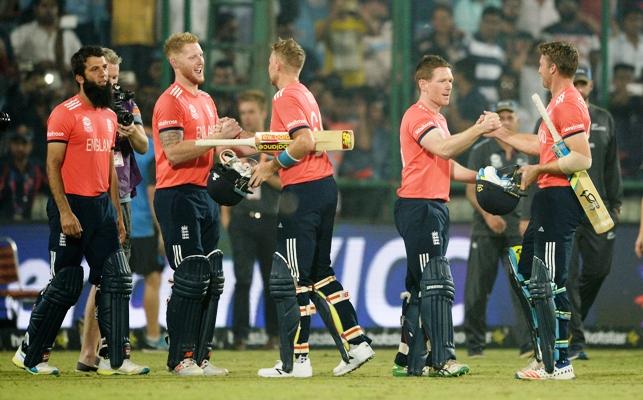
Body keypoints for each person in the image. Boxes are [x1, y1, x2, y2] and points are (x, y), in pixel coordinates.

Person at [11, 45, 149, 375]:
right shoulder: (64, 113)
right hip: (71, 206)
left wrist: (115, 212)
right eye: (96, 70)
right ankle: (32, 354)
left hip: (102, 208)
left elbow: (110, 166)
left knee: (117, 278)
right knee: (68, 284)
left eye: (105, 69)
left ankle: (115, 359)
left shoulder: (110, 115)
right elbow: (52, 166)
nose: (104, 75)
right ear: (79, 77)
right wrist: (64, 212)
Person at [251, 38, 374, 378]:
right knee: (320, 273)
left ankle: (297, 361)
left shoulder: (284, 96)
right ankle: (357, 342)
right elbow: (295, 138)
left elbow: (303, 141)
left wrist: (270, 167)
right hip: (324, 187)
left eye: (269, 61)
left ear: (276, 64)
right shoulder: (305, 94)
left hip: (301, 192)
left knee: (295, 279)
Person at [391, 54, 501, 378]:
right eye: (442, 80)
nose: (449, 85)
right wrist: (479, 129)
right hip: (420, 207)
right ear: (423, 84)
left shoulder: (438, 120)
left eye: (451, 80)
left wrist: (483, 176)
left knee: (420, 285)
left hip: (432, 206)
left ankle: (406, 359)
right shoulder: (418, 116)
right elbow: (444, 150)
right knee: (436, 283)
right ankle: (441, 360)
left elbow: (447, 165)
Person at [489, 41, 591, 380]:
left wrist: (538, 170)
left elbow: (581, 157)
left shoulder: (569, 103)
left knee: (550, 281)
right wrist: (502, 133)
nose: (537, 69)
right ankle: (544, 354)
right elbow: (541, 146)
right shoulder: (556, 104)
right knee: (526, 272)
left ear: (553, 69)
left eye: (541, 64)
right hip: (548, 198)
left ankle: (560, 363)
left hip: (560, 198)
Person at [152, 32, 240, 376]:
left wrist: (241, 150)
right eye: (192, 56)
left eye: (201, 54)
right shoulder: (169, 101)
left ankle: (202, 356)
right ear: (174, 62)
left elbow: (214, 150)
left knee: (212, 277)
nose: (200, 61)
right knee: (190, 277)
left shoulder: (206, 100)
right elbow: (173, 152)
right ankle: (180, 358)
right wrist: (215, 138)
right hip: (177, 196)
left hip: (205, 194)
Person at [76, 47, 148, 373]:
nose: (111, 83)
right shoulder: (87, 109)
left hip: (122, 193)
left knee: (108, 278)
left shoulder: (126, 105)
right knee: (109, 277)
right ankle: (105, 351)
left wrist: (130, 129)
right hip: (96, 195)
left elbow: (145, 145)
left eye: (115, 77)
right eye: (107, 75)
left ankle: (92, 353)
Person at [463, 99, 533, 358]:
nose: (505, 121)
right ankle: (474, 345)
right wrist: (488, 215)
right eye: (500, 116)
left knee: (522, 286)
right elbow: (471, 189)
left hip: (518, 228)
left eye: (509, 116)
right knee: (477, 288)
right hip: (486, 228)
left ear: (517, 120)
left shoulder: (527, 150)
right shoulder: (481, 150)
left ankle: (528, 343)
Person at [565, 65, 623, 361]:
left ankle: (570, 322)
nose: (579, 87)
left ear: (590, 86)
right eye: (574, 82)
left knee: (599, 269)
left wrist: (616, 201)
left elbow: (612, 164)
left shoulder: (603, 118)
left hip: (597, 205)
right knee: (568, 274)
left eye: (583, 83)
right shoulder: (553, 116)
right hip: (565, 203)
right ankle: (575, 340)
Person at [220, 90, 280, 351]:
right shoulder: (234, 146)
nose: (247, 116)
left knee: (271, 280)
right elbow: (223, 183)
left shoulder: (276, 143)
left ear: (263, 112)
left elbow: (284, 183)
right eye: (243, 112)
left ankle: (273, 335)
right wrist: (225, 214)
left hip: (269, 217)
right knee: (242, 278)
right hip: (241, 218)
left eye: (251, 111)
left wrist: (265, 172)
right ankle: (240, 336)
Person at [0, 126, 47, 221]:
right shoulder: (3, 168)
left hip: (32, 224)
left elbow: (52, 191)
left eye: (24, 143)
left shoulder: (38, 169)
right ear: (10, 145)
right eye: (16, 143)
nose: (20, 148)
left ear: (31, 146)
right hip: (4, 223)